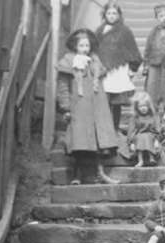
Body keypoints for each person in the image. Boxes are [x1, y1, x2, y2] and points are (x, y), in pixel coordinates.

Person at [56, 28, 120, 185]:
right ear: (75, 46)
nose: (85, 49)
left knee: (99, 140)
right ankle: (77, 175)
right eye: (82, 46)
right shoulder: (69, 61)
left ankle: (100, 173)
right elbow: (63, 86)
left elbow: (103, 82)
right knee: (80, 141)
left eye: (87, 45)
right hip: (79, 107)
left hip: (97, 106)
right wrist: (65, 107)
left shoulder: (95, 61)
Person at [95, 1, 142, 132]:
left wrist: (132, 68)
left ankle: (115, 127)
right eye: (109, 13)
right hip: (104, 70)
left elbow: (132, 50)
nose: (111, 16)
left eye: (114, 13)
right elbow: (95, 49)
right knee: (104, 100)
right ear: (104, 14)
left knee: (116, 101)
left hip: (118, 70)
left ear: (119, 15)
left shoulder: (125, 31)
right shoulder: (99, 30)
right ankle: (104, 129)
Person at [126, 92, 161, 167]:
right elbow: (131, 130)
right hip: (138, 137)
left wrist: (157, 140)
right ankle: (140, 160)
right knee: (141, 137)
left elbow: (156, 129)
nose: (143, 108)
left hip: (151, 135)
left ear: (149, 106)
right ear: (136, 107)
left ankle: (151, 157)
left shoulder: (153, 116)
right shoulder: (135, 117)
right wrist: (131, 142)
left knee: (147, 136)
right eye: (140, 106)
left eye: (145, 106)